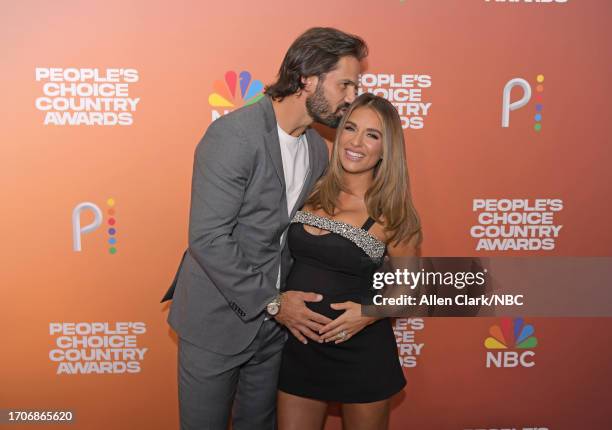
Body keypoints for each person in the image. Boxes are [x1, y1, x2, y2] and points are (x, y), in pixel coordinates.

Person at [161, 27, 368, 429]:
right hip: (216, 322)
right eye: (345, 83)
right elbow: (209, 238)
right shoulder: (234, 136)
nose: (350, 97)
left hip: (275, 330)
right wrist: (274, 302)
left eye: (354, 86)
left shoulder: (315, 150)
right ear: (307, 78)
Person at [277, 93, 422, 430]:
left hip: (362, 355)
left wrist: (368, 313)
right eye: (350, 128)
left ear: (387, 149)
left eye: (372, 135)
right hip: (300, 349)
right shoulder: (308, 187)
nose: (356, 142)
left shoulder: (394, 215)